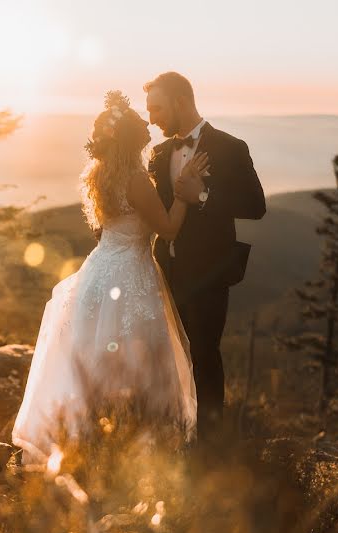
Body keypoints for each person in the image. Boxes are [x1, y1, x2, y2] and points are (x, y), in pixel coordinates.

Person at [11, 91, 208, 466]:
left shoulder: (98, 175)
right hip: (132, 272)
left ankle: (89, 440)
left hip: (100, 270)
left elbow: (106, 229)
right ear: (133, 141)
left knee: (93, 355)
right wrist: (183, 193)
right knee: (139, 359)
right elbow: (167, 229)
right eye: (143, 130)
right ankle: (135, 446)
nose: (150, 131)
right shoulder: (135, 179)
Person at [145, 72, 266, 450]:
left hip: (210, 274)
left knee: (205, 355)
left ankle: (211, 449)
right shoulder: (159, 154)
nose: (151, 119)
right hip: (165, 272)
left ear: (181, 102)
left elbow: (255, 206)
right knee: (166, 359)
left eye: (157, 108)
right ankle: (172, 439)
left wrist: (203, 196)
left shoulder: (231, 147)